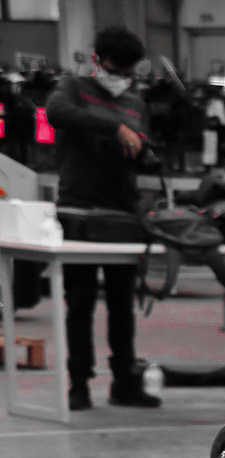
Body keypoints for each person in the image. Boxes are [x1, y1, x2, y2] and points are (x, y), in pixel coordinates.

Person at [45, 26, 160, 410]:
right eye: (115, 67)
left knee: (121, 304)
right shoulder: (74, 89)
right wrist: (114, 126)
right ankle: (79, 384)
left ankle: (124, 382)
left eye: (128, 70)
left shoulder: (136, 102)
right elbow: (56, 114)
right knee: (79, 304)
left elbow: (141, 146)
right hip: (78, 210)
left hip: (121, 216)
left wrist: (142, 149)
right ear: (97, 60)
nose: (121, 76)